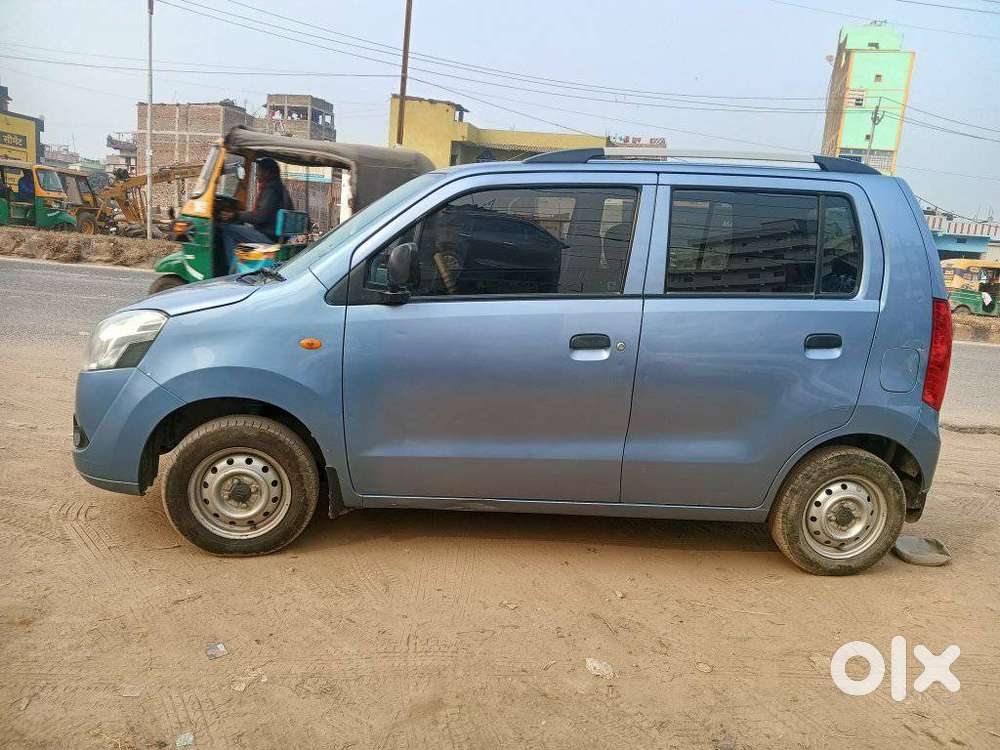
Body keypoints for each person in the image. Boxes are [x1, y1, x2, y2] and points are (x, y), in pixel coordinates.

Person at [217, 157, 293, 271]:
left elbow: (259, 217)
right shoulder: (279, 188)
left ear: (267, 172)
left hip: (268, 237)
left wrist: (235, 215)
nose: (257, 174)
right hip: (275, 236)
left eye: (259, 171)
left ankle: (232, 270)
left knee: (228, 230)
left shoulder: (271, 190)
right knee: (238, 229)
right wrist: (240, 216)